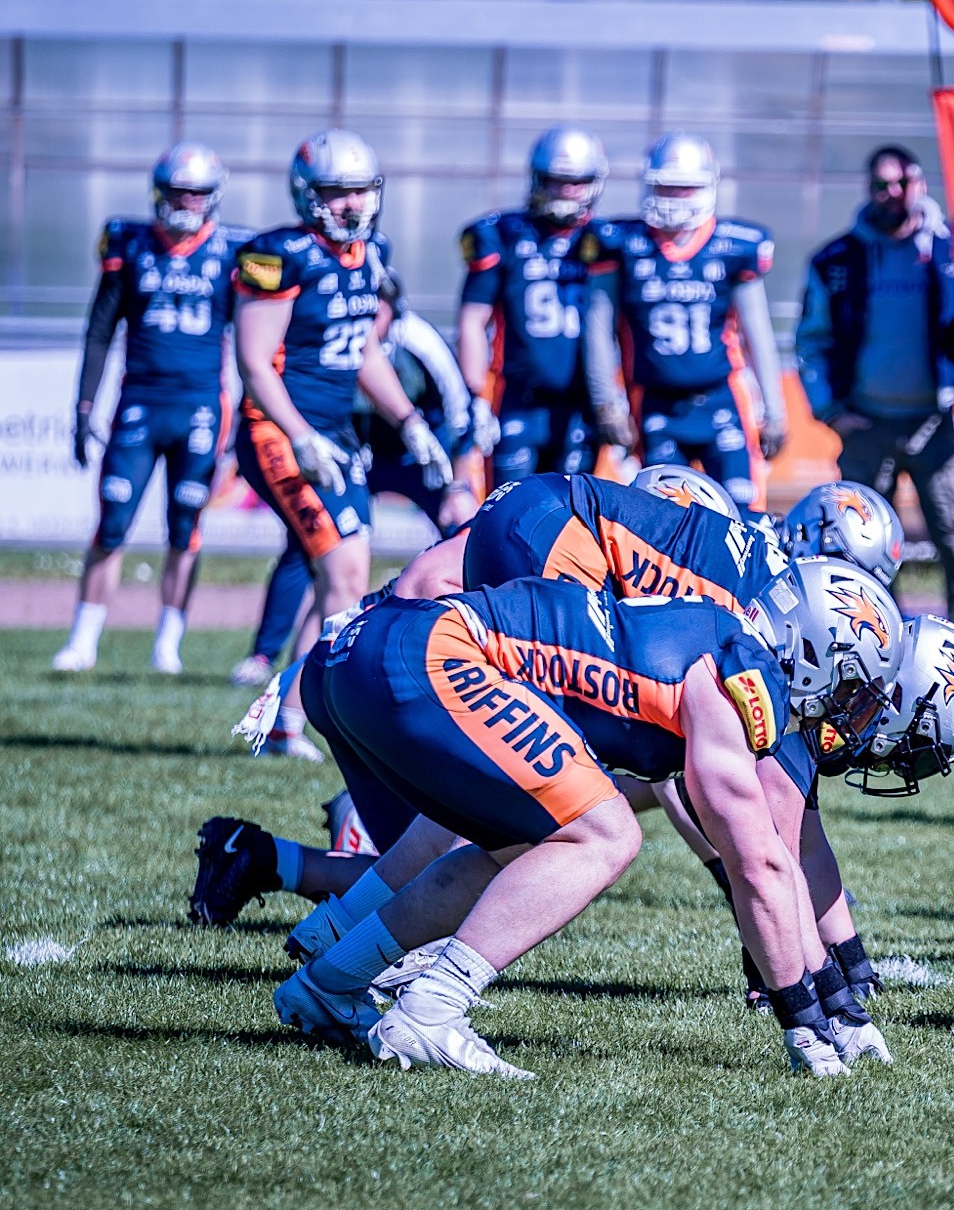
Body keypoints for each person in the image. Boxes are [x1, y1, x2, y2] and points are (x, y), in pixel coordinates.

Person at [268, 562, 901, 1077]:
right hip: (433, 654)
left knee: (516, 847)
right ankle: (433, 1007)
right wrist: (808, 1024)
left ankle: (328, 982)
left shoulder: (716, 633)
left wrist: (830, 1005)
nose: (849, 707)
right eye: (854, 685)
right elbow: (759, 863)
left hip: (374, 651)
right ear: (816, 648)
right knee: (609, 832)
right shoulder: (741, 671)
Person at [231, 131, 450, 759]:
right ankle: (296, 718)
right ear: (307, 194)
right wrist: (299, 436)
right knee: (345, 571)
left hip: (335, 432)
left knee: (344, 580)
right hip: (278, 429)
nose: (351, 203)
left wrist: (410, 422)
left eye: (359, 189)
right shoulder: (277, 256)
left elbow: (363, 352)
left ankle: (284, 717)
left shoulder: (370, 254)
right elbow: (254, 363)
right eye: (336, 191)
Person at [54, 143, 246, 677]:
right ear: (159, 191)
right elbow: (100, 329)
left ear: (213, 197)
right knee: (112, 523)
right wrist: (84, 404)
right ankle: (83, 640)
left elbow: (256, 340)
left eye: (197, 192)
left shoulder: (234, 253)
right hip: (139, 405)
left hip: (202, 410)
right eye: (178, 191)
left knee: (185, 528)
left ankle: (168, 644)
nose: (186, 202)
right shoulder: (131, 242)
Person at [796, 145, 954, 622]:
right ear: (868, 190)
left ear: (921, 184)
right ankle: (878, 651)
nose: (892, 193)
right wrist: (829, 409)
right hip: (866, 425)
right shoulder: (837, 259)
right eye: (881, 185)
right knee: (857, 551)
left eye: (902, 182)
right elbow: (812, 340)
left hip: (937, 424)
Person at [583, 133, 788, 509]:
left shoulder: (733, 247)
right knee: (665, 526)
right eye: (666, 186)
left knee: (744, 518)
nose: (675, 197)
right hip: (655, 402)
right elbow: (598, 329)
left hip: (723, 399)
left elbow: (758, 334)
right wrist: (607, 405)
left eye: (685, 187)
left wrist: (775, 411)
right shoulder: (623, 244)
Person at [455, 126, 605, 488]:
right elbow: (473, 322)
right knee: (506, 512)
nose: (567, 191)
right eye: (557, 181)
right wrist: (474, 396)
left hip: (581, 405)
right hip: (517, 398)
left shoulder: (607, 242)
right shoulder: (503, 235)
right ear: (538, 178)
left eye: (578, 181)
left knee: (576, 517)